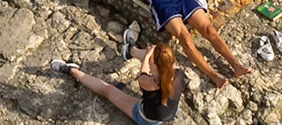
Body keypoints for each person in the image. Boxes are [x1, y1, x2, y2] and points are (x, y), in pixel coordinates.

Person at [54, 34, 185, 124]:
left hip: (148, 119)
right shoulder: (179, 75)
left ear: (154, 65)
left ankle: (72, 70)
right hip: (168, 111)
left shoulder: (147, 83)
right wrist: (152, 55)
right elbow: (160, 62)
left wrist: (147, 57)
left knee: (108, 90)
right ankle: (130, 51)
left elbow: (144, 71)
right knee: (159, 55)